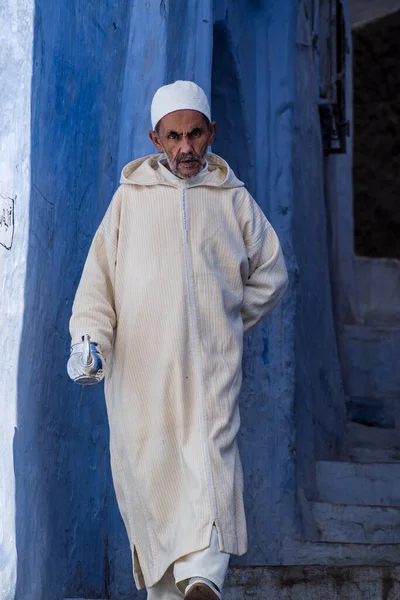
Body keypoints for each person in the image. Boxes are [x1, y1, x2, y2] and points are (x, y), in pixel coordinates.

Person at [67, 80, 288, 599]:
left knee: (211, 467)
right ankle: (177, 588)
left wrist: (226, 318)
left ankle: (206, 578)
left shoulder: (234, 200)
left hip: (212, 372)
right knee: (154, 479)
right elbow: (97, 281)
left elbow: (271, 273)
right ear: (155, 139)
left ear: (212, 132)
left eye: (195, 134)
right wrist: (90, 339)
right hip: (142, 378)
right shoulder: (129, 201)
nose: (186, 147)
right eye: (174, 137)